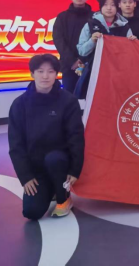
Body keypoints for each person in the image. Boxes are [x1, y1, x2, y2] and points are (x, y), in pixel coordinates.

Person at [8, 54, 85, 220]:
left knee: (54, 159)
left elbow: (76, 137)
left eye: (50, 71)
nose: (45, 76)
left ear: (56, 74)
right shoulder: (19, 104)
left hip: (60, 162)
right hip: (37, 168)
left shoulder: (68, 101)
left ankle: (63, 198)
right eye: (40, 71)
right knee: (31, 212)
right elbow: (16, 144)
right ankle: (51, 189)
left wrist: (75, 170)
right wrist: (26, 176)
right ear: (32, 74)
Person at [76, 0, 137, 98]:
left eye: (112, 5)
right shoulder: (90, 25)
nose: (109, 8)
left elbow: (131, 54)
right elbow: (81, 51)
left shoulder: (124, 26)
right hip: (94, 72)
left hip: (118, 73)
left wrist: (133, 42)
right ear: (100, 7)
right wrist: (92, 41)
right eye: (105, 4)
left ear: (117, 6)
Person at [53, 0, 93, 93]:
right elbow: (58, 39)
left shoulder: (95, 16)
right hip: (69, 66)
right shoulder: (62, 17)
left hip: (90, 65)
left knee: (91, 96)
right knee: (69, 96)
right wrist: (72, 61)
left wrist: (85, 60)